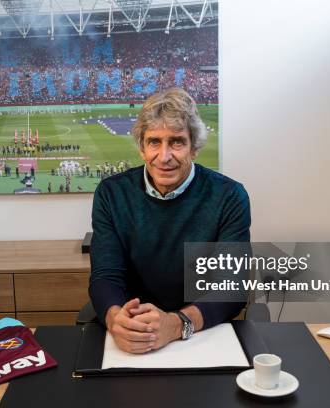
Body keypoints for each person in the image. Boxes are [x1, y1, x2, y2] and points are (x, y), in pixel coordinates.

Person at [89, 88, 251, 354]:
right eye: (154, 142)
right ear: (142, 148)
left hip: (202, 334)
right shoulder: (111, 193)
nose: (164, 157)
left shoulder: (229, 196)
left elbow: (231, 288)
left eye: (176, 142)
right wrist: (115, 318)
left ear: (194, 148)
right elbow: (106, 275)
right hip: (134, 335)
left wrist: (176, 324)